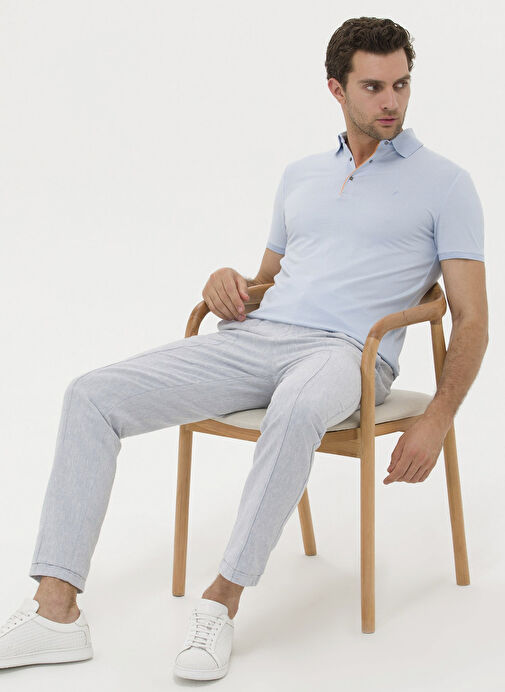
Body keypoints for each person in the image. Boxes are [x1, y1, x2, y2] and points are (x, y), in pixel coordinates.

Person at [0, 16, 488, 682]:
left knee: (298, 405)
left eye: (400, 84)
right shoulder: (301, 176)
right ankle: (55, 611)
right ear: (336, 88)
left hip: (348, 354)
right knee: (91, 396)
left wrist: (437, 417)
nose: (390, 102)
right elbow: (266, 284)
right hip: (258, 339)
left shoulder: (446, 184)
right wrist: (227, 284)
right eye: (372, 87)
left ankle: (220, 602)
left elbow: (470, 317)